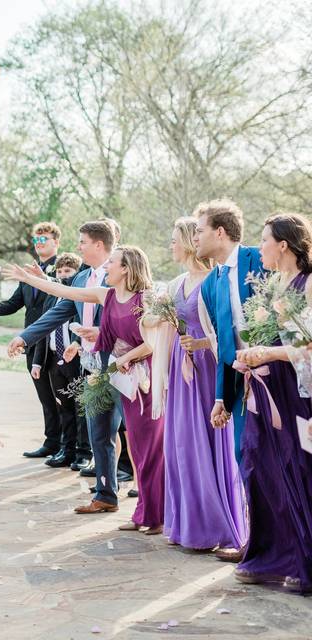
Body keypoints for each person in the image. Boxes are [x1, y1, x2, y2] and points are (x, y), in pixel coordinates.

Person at [6, 245, 165, 532]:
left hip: (141, 380)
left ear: (126, 268)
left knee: (145, 448)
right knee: (112, 439)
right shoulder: (108, 295)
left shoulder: (148, 299)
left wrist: (123, 359)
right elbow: (66, 294)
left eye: (112, 263)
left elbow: (153, 341)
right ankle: (129, 508)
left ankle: (156, 513)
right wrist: (30, 280)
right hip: (109, 374)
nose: (106, 268)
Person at [144, 218, 246, 554]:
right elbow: (153, 324)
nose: (171, 246)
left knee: (206, 444)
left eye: (175, 240)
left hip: (206, 368)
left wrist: (202, 346)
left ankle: (216, 525)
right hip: (180, 365)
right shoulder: (175, 284)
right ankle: (187, 524)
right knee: (182, 445)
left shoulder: (213, 281)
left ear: (189, 241)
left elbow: (224, 331)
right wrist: (154, 316)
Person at [8, 221, 124, 513]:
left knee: (126, 433)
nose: (79, 246)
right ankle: (106, 494)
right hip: (91, 366)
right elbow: (58, 312)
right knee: (99, 430)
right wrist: (25, 337)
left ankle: (144, 495)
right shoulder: (81, 277)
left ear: (99, 245)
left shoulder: (119, 273)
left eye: (83, 241)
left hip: (122, 364)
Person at [232, 213, 312, 593]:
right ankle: (269, 556)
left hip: (299, 393)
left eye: (264, 240)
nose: (258, 247)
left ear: (283, 244)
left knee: (300, 471)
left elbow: (308, 346)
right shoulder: (270, 287)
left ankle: (303, 560)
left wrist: (268, 352)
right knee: (258, 465)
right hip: (267, 391)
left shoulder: (309, 283)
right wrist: (249, 357)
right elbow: (259, 335)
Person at [0, 222, 62, 460]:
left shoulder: (63, 269)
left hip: (55, 341)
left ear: (56, 241)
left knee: (61, 395)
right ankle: (52, 441)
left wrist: (45, 277)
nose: (39, 244)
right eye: (36, 240)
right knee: (44, 394)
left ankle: (69, 445)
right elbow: (16, 302)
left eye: (44, 239)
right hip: (32, 341)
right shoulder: (27, 275)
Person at [195, 200, 265, 463]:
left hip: (278, 376)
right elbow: (223, 346)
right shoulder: (210, 285)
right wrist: (221, 397)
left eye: (200, 231)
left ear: (220, 232)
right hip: (241, 386)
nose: (195, 238)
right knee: (243, 454)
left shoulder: (260, 259)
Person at [31, 252, 92, 469]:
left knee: (80, 407)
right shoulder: (52, 296)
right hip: (54, 358)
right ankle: (67, 450)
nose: (63, 274)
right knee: (63, 407)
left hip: (75, 358)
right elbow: (44, 327)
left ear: (77, 274)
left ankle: (84, 452)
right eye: (59, 271)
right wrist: (37, 362)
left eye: (68, 271)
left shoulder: (80, 297)